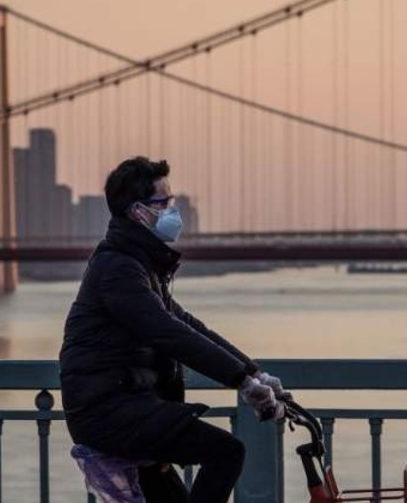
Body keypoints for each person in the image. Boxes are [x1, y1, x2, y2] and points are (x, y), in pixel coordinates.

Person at [60, 157, 288, 503]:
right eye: (164, 202)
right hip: (109, 412)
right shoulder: (118, 268)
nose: (173, 209)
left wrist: (254, 372)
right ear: (139, 212)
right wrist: (242, 382)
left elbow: (187, 325)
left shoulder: (138, 264)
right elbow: (166, 332)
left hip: (128, 406)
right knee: (226, 453)